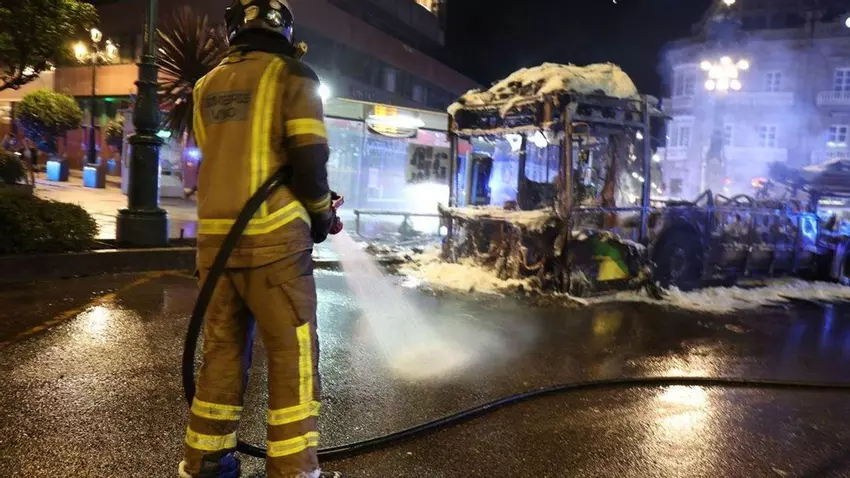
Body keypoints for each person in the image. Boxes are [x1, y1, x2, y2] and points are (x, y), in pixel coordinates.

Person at [179, 1, 341, 477]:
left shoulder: (204, 87)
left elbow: (225, 158)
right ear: (285, 31)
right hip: (276, 248)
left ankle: (207, 462)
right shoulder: (294, 76)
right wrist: (320, 214)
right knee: (293, 360)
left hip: (215, 248)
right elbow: (309, 159)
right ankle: (293, 470)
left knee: (222, 356)